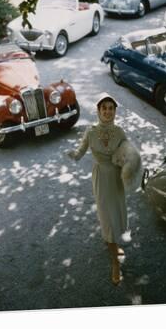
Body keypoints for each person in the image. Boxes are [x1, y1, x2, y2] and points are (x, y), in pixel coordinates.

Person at [66, 93, 129, 285]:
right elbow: (80, 152)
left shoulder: (119, 132)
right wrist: (72, 154)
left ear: (114, 111)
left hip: (117, 179)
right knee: (106, 218)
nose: (108, 111)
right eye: (104, 108)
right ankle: (115, 263)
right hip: (101, 178)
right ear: (98, 111)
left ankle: (113, 242)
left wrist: (128, 164)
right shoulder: (90, 132)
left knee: (117, 214)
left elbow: (128, 154)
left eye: (111, 108)